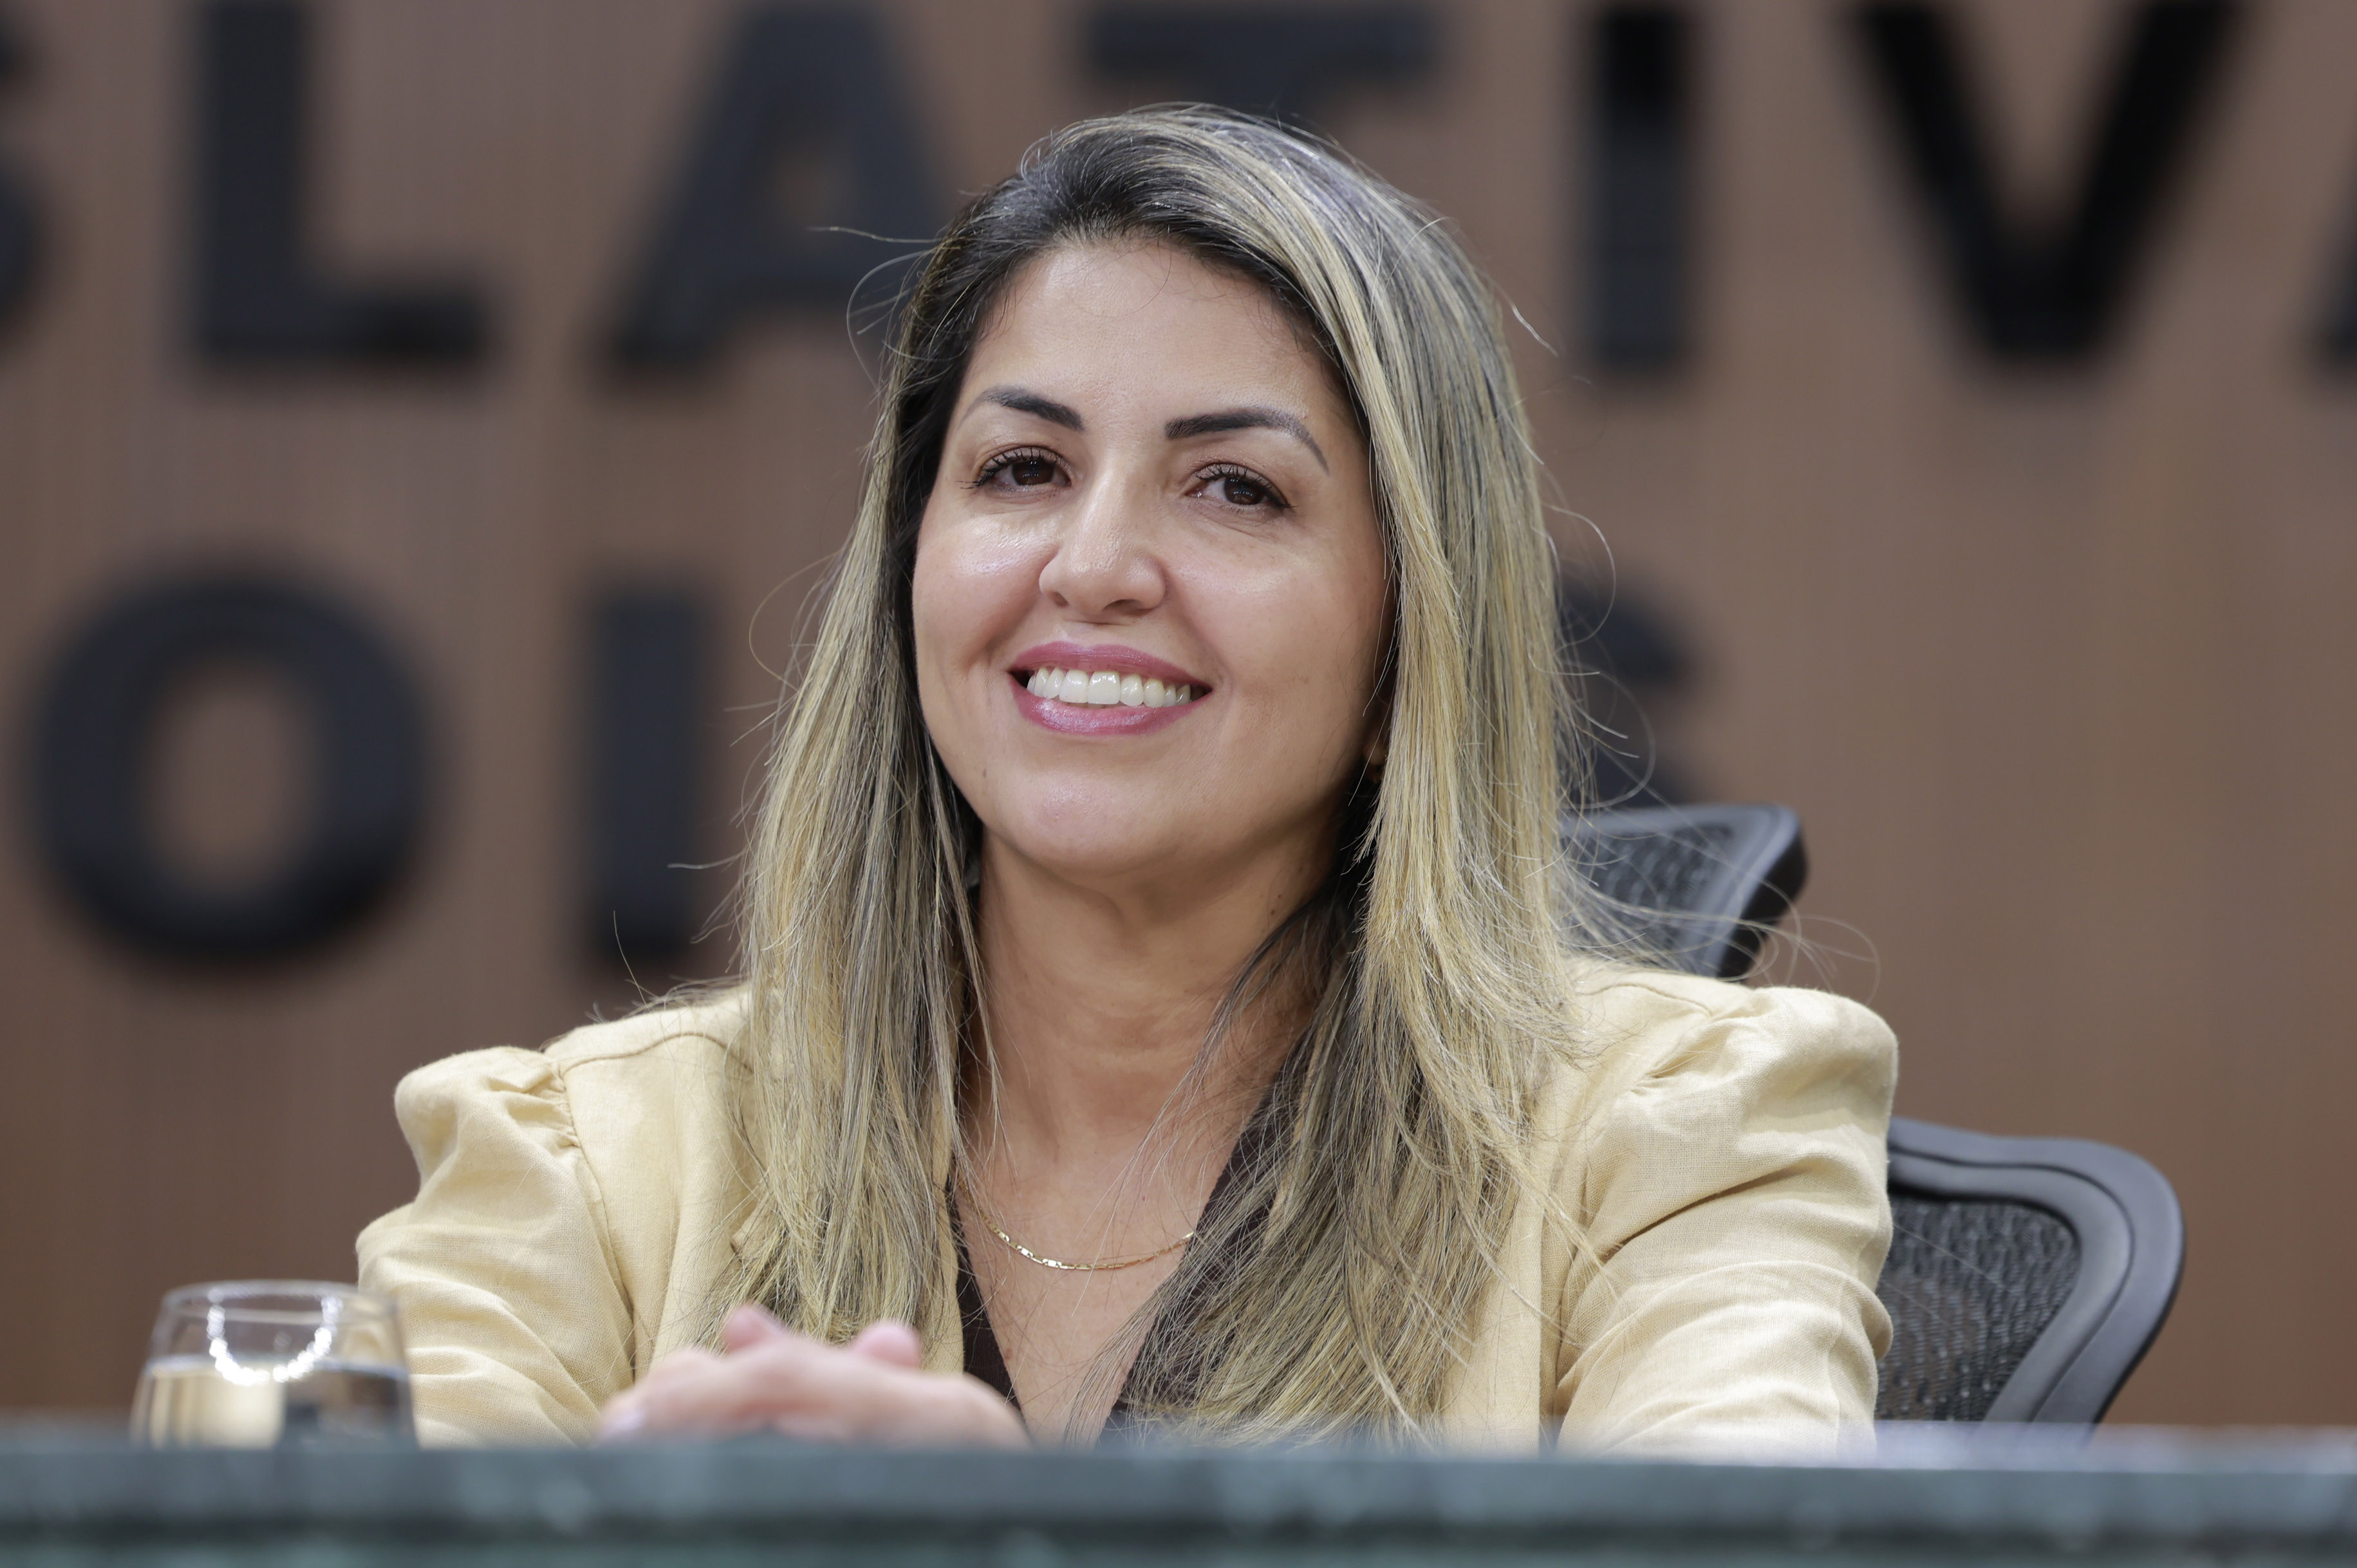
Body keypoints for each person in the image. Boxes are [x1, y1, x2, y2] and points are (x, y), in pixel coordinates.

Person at [357, 107, 1894, 1453]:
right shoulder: (579, 1174)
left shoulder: (1682, 1140)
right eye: (1022, 469)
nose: (1092, 566)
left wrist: (1010, 1559)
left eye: (1235, 488)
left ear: (1409, 644)